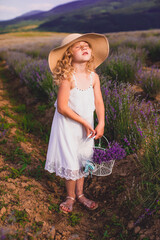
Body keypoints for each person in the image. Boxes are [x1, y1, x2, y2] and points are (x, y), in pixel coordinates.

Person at [45, 33, 109, 214]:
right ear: (68, 54)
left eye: (86, 45)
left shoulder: (94, 77)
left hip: (87, 125)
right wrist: (83, 122)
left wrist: (101, 122)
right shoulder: (68, 77)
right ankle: (70, 196)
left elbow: (99, 102)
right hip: (68, 126)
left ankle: (81, 195)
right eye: (78, 46)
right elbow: (62, 108)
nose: (84, 48)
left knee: (83, 158)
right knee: (71, 159)